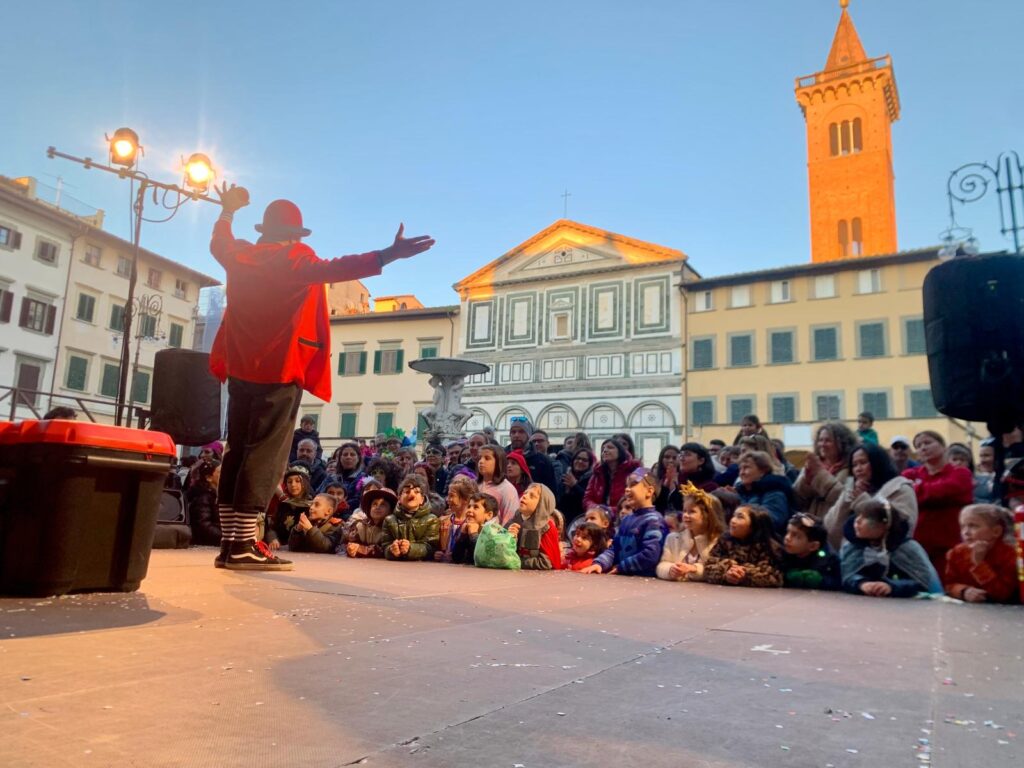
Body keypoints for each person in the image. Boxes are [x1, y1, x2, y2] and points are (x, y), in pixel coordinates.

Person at [209, 182, 434, 571]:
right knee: (263, 457)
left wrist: (228, 210)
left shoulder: (240, 256)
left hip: (241, 369)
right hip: (278, 370)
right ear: (295, 235)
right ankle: (245, 544)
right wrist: (388, 254)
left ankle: (230, 543)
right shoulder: (294, 260)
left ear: (266, 230)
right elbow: (338, 267)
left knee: (238, 452)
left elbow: (219, 242)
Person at [902, 430, 974, 578]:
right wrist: (928, 492)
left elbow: (947, 490)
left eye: (928, 443)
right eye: (918, 445)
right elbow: (905, 496)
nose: (923, 448)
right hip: (918, 544)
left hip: (950, 543)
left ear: (943, 447)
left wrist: (918, 490)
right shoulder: (909, 474)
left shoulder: (961, 473)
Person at [824, 442, 918, 552]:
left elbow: (902, 526)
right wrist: (847, 498)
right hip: (852, 558)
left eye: (863, 462)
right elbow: (829, 527)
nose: (858, 469)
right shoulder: (851, 490)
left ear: (877, 462)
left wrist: (863, 502)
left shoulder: (899, 488)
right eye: (854, 465)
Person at [840, 499, 942, 598]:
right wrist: (861, 584)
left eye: (866, 517)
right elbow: (846, 575)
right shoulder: (852, 547)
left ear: (884, 525)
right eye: (858, 515)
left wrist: (892, 586)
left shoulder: (907, 548)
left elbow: (922, 581)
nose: (857, 521)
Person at [582, 468, 667, 576]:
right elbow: (615, 548)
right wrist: (599, 564)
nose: (627, 489)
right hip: (623, 578)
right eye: (627, 486)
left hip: (644, 584)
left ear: (649, 491)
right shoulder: (627, 520)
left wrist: (621, 567)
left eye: (633, 485)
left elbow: (650, 555)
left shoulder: (654, 521)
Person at [944, 504, 1018, 604]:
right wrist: (964, 591)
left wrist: (979, 564)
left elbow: (1002, 594)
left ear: (996, 531)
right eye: (962, 526)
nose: (966, 532)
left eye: (973, 526)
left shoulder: (1010, 555)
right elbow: (948, 585)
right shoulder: (957, 553)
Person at [656, 482, 725, 583]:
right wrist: (671, 570)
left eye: (691, 511)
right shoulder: (673, 538)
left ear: (708, 515)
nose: (685, 515)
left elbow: (717, 570)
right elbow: (661, 565)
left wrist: (694, 569)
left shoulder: (718, 541)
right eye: (684, 511)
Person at [703, 505, 783, 588]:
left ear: (754, 525)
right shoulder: (725, 540)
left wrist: (743, 573)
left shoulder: (767, 546)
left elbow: (774, 576)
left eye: (740, 517)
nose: (733, 520)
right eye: (734, 516)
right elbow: (709, 565)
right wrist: (727, 572)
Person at [793, 421, 858, 522]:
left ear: (842, 443)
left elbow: (847, 499)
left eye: (828, 440)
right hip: (811, 528)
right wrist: (806, 480)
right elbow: (796, 498)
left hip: (836, 527)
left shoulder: (852, 469)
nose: (822, 444)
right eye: (820, 440)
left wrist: (820, 475)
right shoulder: (813, 464)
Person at [734, 450, 796, 535]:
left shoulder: (774, 491)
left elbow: (771, 522)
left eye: (746, 467)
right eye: (740, 469)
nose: (741, 473)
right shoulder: (743, 491)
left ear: (763, 470)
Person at [381, 474, 440, 562]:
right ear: (399, 498)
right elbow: (385, 546)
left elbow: (430, 547)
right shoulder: (389, 520)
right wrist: (391, 550)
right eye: (407, 491)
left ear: (422, 499)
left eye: (416, 492)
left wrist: (411, 549)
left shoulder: (431, 520)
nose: (411, 494)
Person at [507, 483, 562, 570]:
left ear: (542, 504)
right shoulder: (514, 520)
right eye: (525, 493)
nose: (524, 496)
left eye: (531, 496)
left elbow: (547, 563)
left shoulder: (546, 527)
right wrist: (508, 538)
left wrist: (516, 561)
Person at [781, 513, 840, 590]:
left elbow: (838, 582)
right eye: (787, 532)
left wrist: (821, 581)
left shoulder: (830, 559)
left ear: (813, 546)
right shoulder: (781, 551)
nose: (787, 538)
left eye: (796, 536)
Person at [584, 438, 642, 511]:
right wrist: (596, 508)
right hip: (599, 516)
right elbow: (587, 498)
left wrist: (609, 511)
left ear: (620, 451)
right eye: (603, 449)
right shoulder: (597, 473)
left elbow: (636, 498)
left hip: (624, 516)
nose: (605, 450)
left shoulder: (633, 471)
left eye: (610, 447)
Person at [506, 418, 557, 494]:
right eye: (513, 432)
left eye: (521, 432)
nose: (516, 435)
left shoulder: (542, 460)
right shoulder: (502, 456)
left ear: (528, 435)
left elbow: (551, 491)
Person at [268, 465, 312, 549]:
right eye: (289, 481)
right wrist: (273, 539)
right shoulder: (283, 505)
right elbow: (272, 527)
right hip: (279, 546)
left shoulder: (311, 506)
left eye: (298, 481)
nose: (293, 484)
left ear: (305, 483)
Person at [345, 487, 395, 559]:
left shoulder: (393, 528)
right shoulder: (360, 526)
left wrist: (362, 549)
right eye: (374, 504)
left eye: (383, 504)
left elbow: (386, 549)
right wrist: (350, 548)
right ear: (369, 508)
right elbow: (343, 545)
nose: (377, 507)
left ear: (391, 510)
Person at [476, 443, 520, 526]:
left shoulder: (507, 489)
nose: (481, 461)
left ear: (498, 462)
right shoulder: (475, 485)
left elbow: (510, 522)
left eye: (487, 458)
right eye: (479, 458)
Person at [435, 475, 475, 563]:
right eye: (448, 496)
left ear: (466, 499)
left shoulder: (472, 525)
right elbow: (434, 546)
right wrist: (436, 553)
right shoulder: (442, 521)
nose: (447, 499)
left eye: (452, 496)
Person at [451, 493, 500, 565]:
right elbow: (456, 558)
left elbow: (483, 559)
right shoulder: (466, 528)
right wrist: (462, 536)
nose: (469, 510)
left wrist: (474, 536)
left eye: (475, 507)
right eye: (469, 506)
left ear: (489, 515)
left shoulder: (495, 533)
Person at [319, 442, 366, 512]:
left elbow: (358, 499)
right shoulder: (331, 477)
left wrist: (340, 507)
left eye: (352, 454)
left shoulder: (363, 478)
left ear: (358, 458)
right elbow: (320, 494)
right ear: (340, 458)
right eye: (345, 454)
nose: (348, 457)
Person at [187, 458, 222, 546]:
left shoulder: (217, 495)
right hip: (207, 543)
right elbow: (204, 526)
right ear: (209, 478)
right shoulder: (203, 497)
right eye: (220, 472)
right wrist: (224, 538)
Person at [559, 448, 595, 530]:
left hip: (581, 521)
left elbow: (587, 500)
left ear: (590, 464)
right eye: (578, 458)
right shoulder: (566, 476)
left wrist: (575, 485)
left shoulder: (592, 479)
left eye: (584, 460)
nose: (580, 461)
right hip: (564, 521)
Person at [650, 445, 680, 513]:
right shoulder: (655, 479)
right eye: (667, 457)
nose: (671, 460)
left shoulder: (683, 478)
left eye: (674, 458)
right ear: (661, 459)